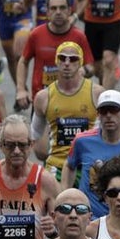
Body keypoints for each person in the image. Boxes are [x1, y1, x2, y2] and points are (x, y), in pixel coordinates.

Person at [31, 41, 101, 183]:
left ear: (80, 62)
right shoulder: (43, 97)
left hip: (88, 166)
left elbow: (106, 133)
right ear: (56, 61)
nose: (67, 63)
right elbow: (34, 135)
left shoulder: (97, 93)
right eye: (62, 58)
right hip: (56, 167)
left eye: (73, 59)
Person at [15, 0, 91, 109]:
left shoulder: (79, 36)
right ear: (48, 12)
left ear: (70, 11)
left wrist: (84, 70)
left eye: (62, 8)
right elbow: (23, 61)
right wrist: (21, 89)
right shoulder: (36, 34)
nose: (58, 12)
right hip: (42, 100)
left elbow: (90, 67)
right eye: (54, 8)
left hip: (70, 100)